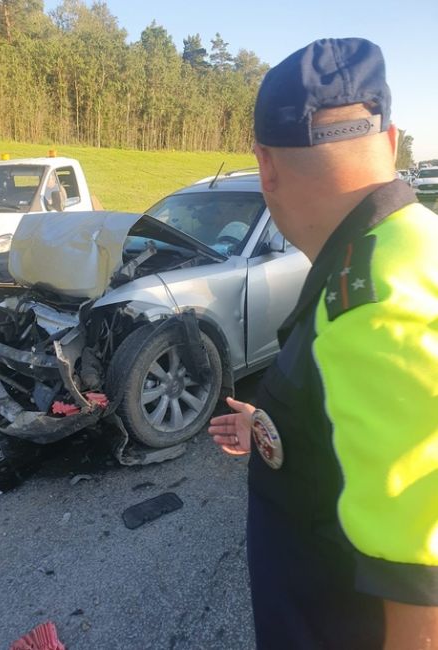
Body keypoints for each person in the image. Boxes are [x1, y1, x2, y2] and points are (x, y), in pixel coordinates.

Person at [209, 37, 438, 649]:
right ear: (390, 144)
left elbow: (425, 607)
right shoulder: (411, 246)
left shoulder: (371, 313)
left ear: (266, 167)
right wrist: (272, 425)